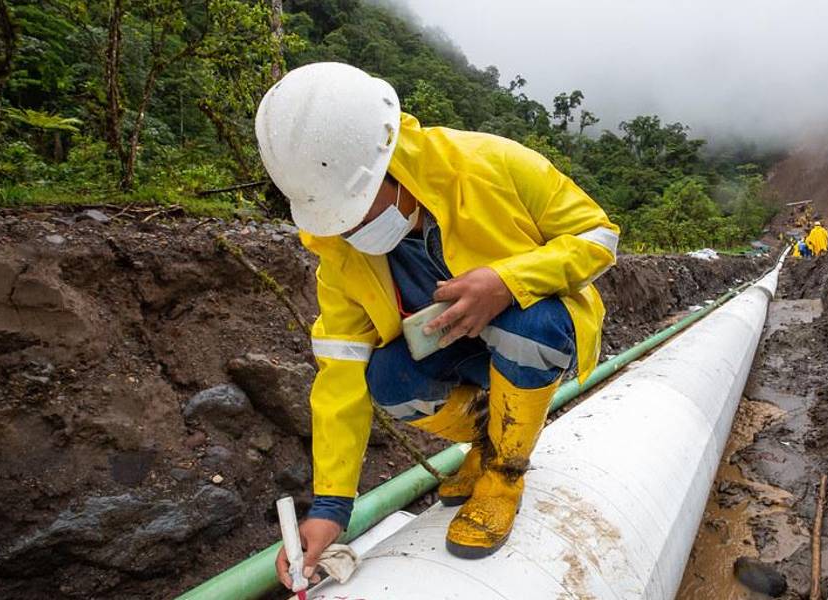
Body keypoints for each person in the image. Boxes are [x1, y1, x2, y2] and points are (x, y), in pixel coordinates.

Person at [255, 62, 619, 583]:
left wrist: (507, 281)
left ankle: (504, 473)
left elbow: (599, 236)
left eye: (356, 210)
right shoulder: (340, 255)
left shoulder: (490, 165)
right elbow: (340, 370)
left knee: (532, 324)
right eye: (337, 219)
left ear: (390, 163)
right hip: (455, 353)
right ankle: (487, 443)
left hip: (530, 335)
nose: (350, 230)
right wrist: (331, 508)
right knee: (387, 377)